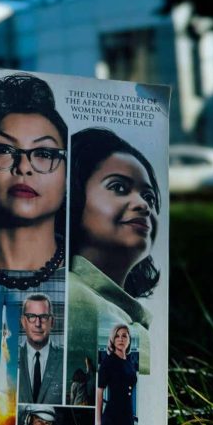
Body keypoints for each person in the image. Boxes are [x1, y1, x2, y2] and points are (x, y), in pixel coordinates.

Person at [67, 128, 162, 374]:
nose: (143, 205)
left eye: (149, 197)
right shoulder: (75, 300)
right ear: (72, 197)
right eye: (119, 187)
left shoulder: (109, 306)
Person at [0, 74, 68, 291]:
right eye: (4, 150)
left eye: (44, 153)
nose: (23, 167)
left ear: (68, 177)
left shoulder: (86, 278)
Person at [17, 293, 63, 404]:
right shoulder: (9, 357)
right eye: (31, 316)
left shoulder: (65, 358)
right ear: (23, 322)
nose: (37, 323)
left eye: (43, 317)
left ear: (52, 322)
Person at [97, 324, 137, 425]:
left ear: (129, 340)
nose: (120, 339)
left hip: (128, 417)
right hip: (112, 418)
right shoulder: (107, 362)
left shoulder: (130, 362)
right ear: (112, 340)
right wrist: (99, 421)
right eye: (117, 336)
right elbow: (99, 392)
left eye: (124, 336)